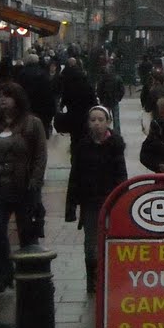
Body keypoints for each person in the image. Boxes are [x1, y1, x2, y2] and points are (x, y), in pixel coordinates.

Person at [0, 82, 48, 292]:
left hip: (23, 188)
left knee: (27, 233)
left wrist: (35, 182)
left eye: (8, 96)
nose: (2, 100)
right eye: (0, 97)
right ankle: (5, 273)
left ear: (18, 99)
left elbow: (40, 155)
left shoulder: (32, 124)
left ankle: (29, 276)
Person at [66, 105, 127, 294]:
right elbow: (75, 176)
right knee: (91, 242)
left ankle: (110, 275)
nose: (97, 123)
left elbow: (121, 174)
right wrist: (71, 205)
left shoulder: (115, 145)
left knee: (111, 239)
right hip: (89, 201)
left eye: (101, 120)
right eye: (93, 120)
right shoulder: (82, 146)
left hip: (111, 199)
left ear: (108, 122)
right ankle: (92, 278)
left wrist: (123, 199)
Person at [15, 53, 55, 137]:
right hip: (41, 106)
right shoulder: (43, 74)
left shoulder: (22, 74)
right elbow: (49, 93)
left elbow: (18, 90)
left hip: (26, 106)